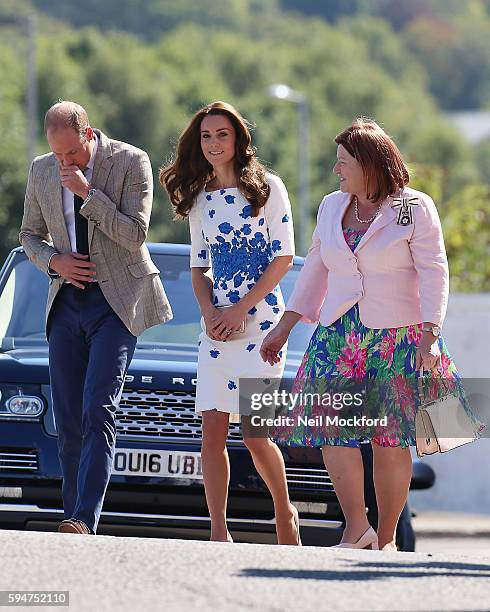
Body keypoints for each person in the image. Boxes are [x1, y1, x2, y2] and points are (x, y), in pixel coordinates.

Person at [260, 118, 481, 551]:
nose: (335, 169)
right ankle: (356, 527)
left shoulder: (413, 207)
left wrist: (432, 332)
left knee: (389, 438)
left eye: (343, 162)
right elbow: (317, 268)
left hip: (399, 336)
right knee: (330, 429)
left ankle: (385, 538)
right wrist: (284, 327)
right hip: (339, 335)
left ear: (369, 165)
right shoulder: (331, 205)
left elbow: (436, 273)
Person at [19, 101, 172, 535]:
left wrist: (89, 193)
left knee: (97, 407)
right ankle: (72, 517)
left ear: (89, 134)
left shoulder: (130, 161)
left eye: (71, 153)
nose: (64, 163)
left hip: (118, 302)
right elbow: (29, 235)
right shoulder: (42, 170)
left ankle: (86, 517)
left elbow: (134, 235)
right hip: (67, 300)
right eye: (58, 154)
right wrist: (56, 263)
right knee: (67, 417)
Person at [160, 101, 300, 545]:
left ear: (238, 139)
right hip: (216, 331)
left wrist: (241, 310)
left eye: (222, 134)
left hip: (261, 330)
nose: (214, 143)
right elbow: (200, 266)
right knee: (212, 431)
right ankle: (219, 532)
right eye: (206, 136)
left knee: (256, 433)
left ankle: (284, 514)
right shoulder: (200, 199)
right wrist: (210, 314)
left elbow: (283, 258)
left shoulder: (268, 188)